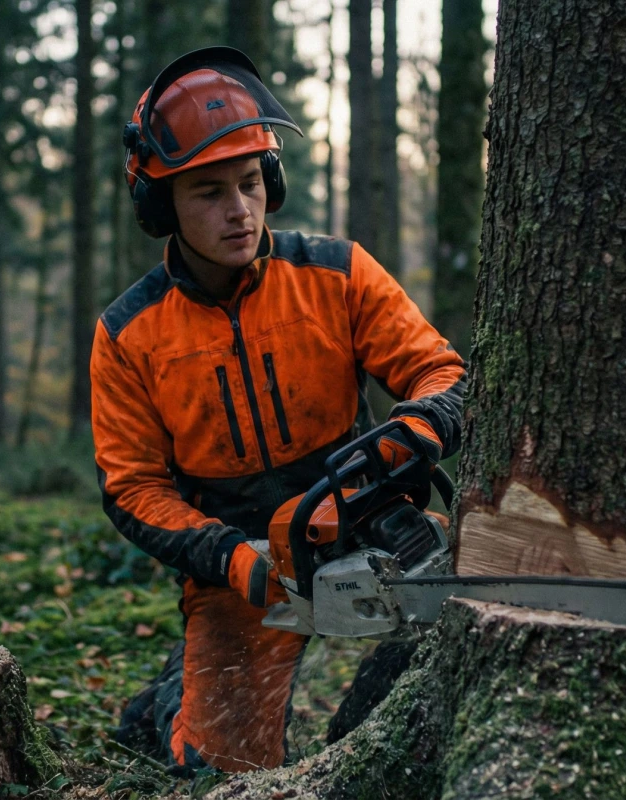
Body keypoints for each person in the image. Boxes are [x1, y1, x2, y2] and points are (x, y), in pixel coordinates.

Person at [91, 46, 466, 773]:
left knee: (460, 623)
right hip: (243, 562)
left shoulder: (336, 273)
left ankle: (365, 737)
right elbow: (131, 488)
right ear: (161, 202)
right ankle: (168, 703)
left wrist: (413, 432)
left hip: (361, 517)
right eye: (208, 192)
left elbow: (442, 372)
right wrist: (229, 557)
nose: (238, 210)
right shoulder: (129, 332)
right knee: (223, 769)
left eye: (251, 182)